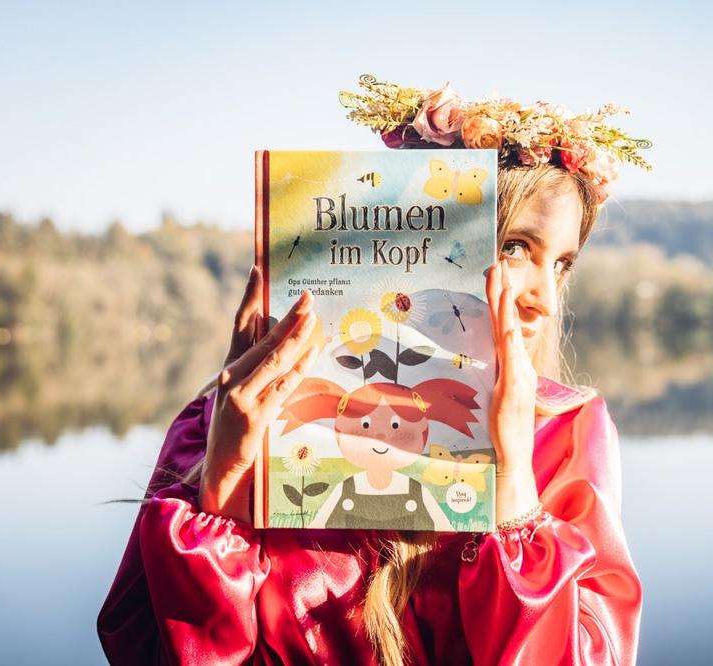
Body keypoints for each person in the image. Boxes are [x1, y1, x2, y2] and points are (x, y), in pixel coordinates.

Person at [97, 74, 651, 665]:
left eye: (562, 264)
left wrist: (513, 482)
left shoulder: (567, 434)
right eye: (514, 247)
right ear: (413, 242)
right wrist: (225, 485)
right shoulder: (221, 426)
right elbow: (146, 651)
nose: (546, 300)